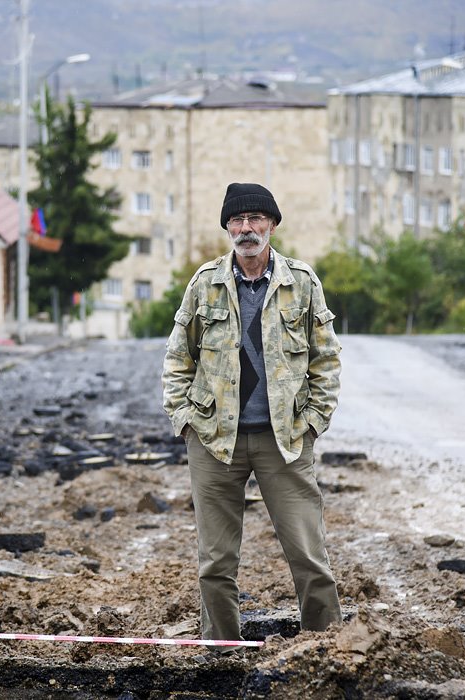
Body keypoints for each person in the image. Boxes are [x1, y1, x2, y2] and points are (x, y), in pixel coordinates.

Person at [161, 182, 342, 641]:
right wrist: (184, 420)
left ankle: (329, 650)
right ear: (227, 227)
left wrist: (315, 421)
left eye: (255, 219)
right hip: (214, 441)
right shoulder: (205, 284)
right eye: (237, 221)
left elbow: (326, 358)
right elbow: (178, 358)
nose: (246, 229)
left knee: (309, 555)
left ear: (272, 225)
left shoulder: (301, 282)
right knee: (215, 563)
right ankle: (220, 656)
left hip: (284, 440)